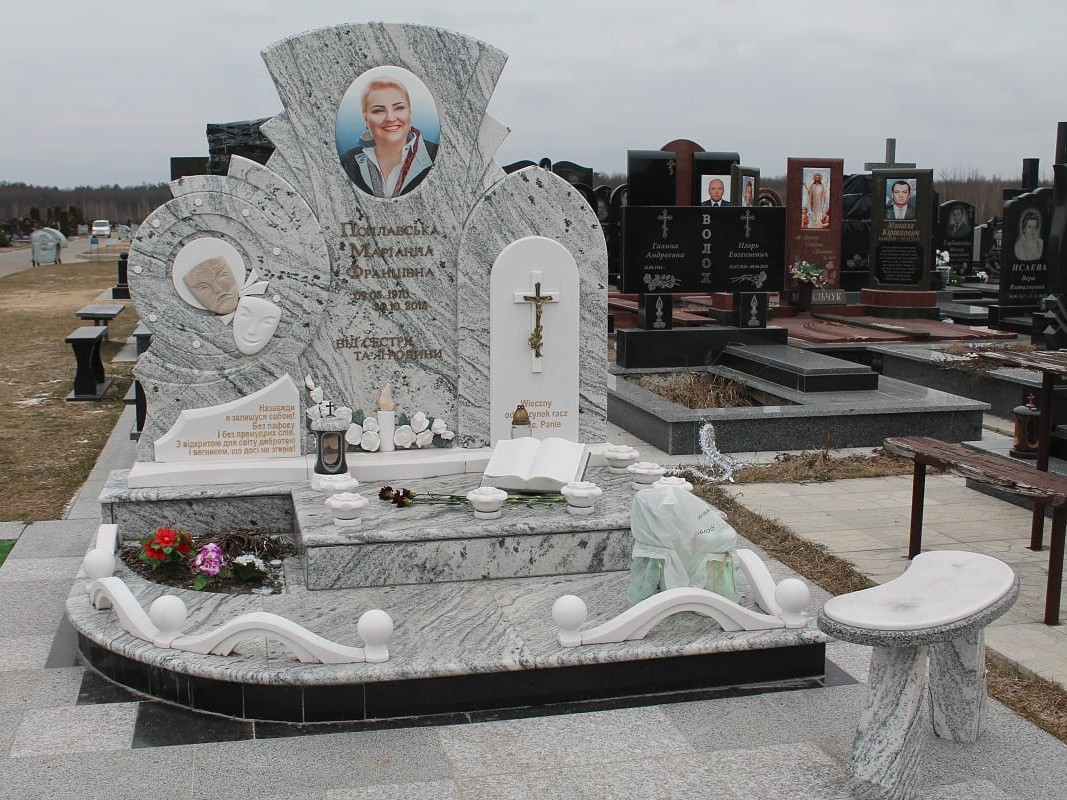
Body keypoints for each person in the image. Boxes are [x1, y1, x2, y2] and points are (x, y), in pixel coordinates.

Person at [340, 78, 437, 198]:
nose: (390, 118)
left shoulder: (435, 155)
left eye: (399, 108)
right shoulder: (348, 162)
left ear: (409, 112)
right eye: (378, 111)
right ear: (366, 119)